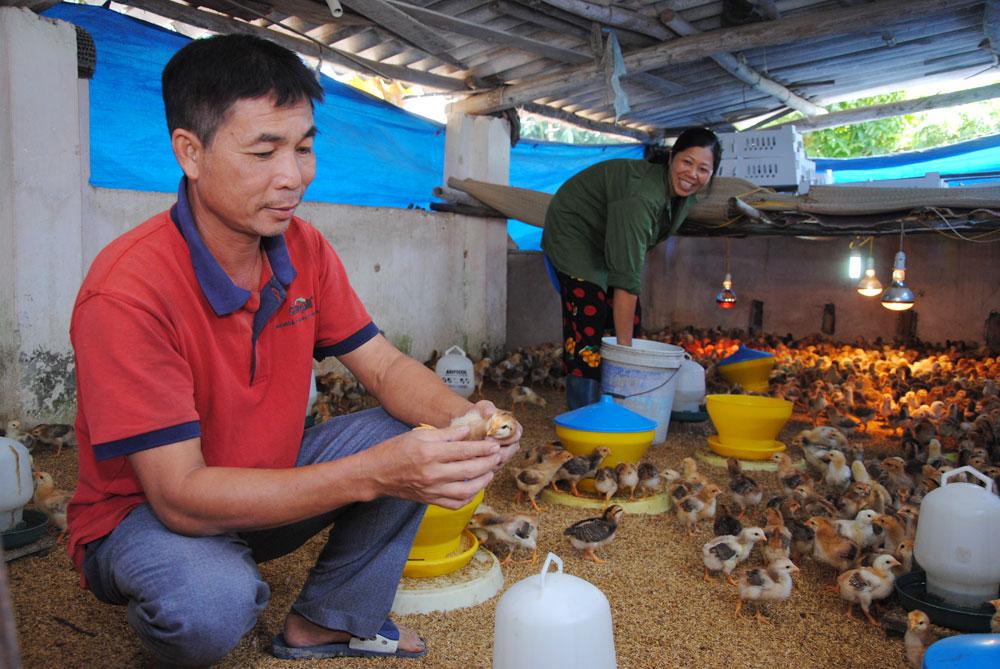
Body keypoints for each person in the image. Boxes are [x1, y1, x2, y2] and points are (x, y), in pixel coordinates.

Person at [66, 34, 520, 666]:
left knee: (416, 428)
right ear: (189, 153)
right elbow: (178, 495)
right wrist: (375, 472)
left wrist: (470, 422)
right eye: (264, 151)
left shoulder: (303, 249)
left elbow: (385, 367)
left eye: (304, 147)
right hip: (149, 519)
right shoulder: (128, 292)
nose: (293, 176)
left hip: (268, 488)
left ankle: (329, 621)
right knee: (211, 599)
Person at [541, 127, 722, 409]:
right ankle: (585, 412)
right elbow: (627, 280)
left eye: (703, 169)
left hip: (607, 236)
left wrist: (627, 348)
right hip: (575, 235)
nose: (692, 174)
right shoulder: (641, 199)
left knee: (629, 318)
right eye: (687, 162)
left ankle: (617, 402)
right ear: (672, 157)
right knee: (589, 320)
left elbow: (628, 269)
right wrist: (626, 354)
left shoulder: (681, 195)